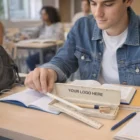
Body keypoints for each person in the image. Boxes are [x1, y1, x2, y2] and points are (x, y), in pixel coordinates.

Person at [25, 0, 140, 94]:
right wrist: (50, 71)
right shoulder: (82, 27)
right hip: (92, 104)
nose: (97, 14)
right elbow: (64, 60)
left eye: (108, 4)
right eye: (93, 3)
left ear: (128, 1)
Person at [25, 6, 64, 70]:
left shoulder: (58, 25)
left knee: (48, 62)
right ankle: (36, 75)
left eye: (44, 14)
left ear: (51, 15)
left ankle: (46, 75)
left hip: (54, 52)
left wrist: (41, 38)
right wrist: (26, 36)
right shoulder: (42, 26)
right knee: (29, 60)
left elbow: (56, 37)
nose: (42, 16)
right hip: (43, 51)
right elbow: (33, 34)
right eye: (41, 14)